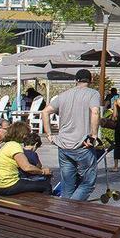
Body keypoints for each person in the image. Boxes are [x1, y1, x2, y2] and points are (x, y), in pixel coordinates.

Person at [42, 68, 102, 200]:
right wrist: (93, 136)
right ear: (91, 80)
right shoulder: (93, 94)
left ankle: (65, 210)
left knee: (67, 185)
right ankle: (71, 207)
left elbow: (45, 112)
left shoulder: (63, 95)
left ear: (76, 80)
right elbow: (95, 112)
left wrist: (49, 134)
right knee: (88, 183)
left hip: (63, 145)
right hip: (82, 145)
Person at [0, 121, 52, 196]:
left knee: (32, 184)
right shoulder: (15, 146)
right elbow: (27, 167)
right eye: (27, 134)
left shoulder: (8, 144)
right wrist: (43, 172)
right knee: (46, 186)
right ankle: (42, 203)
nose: (27, 136)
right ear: (22, 134)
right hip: (7, 186)